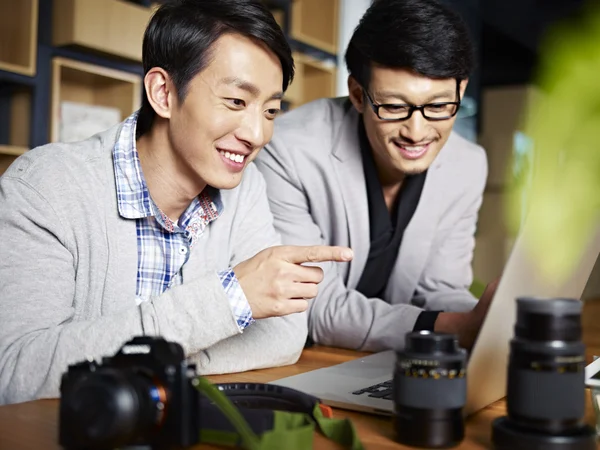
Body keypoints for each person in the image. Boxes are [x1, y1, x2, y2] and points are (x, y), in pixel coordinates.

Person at [0, 0, 352, 405]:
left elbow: (285, 335)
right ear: (163, 93)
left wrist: (157, 364)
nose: (257, 134)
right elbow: (15, 370)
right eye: (237, 102)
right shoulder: (46, 186)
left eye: (271, 110)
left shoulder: (246, 186)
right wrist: (229, 299)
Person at [255, 0, 497, 353]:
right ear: (357, 94)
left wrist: (490, 321)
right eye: (395, 107)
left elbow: (439, 288)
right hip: (305, 357)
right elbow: (316, 305)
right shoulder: (287, 151)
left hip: (391, 360)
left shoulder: (468, 164)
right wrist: (455, 329)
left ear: (460, 92)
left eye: (439, 106)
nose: (417, 131)